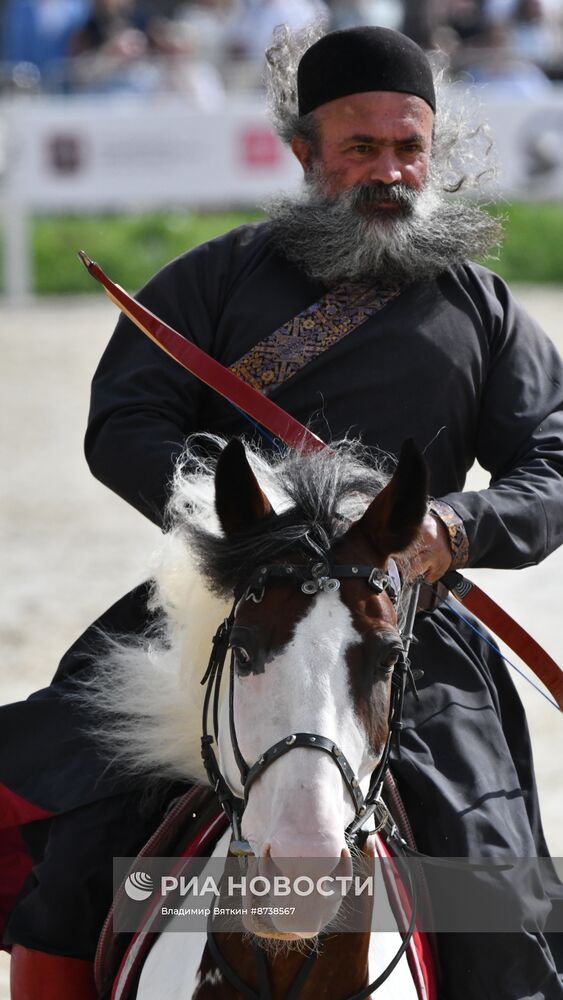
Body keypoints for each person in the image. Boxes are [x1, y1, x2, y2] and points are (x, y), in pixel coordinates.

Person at [2, 22, 563, 1000]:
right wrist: (234, 514)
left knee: (489, 878)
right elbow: (125, 419)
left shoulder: (482, 309)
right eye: (358, 148)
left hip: (401, 628)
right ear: (302, 151)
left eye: (406, 147)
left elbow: (551, 458)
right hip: (227, 610)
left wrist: (454, 528)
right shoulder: (213, 281)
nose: (387, 170)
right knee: (77, 835)